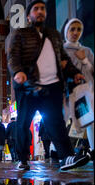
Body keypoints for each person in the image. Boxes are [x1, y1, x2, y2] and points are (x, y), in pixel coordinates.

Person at [6, 0, 89, 171]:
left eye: (42, 9)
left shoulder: (54, 35)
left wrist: (74, 73)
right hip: (28, 86)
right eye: (36, 9)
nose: (40, 11)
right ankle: (22, 159)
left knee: (56, 123)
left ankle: (66, 157)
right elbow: (13, 56)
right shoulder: (20, 34)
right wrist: (18, 72)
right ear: (29, 15)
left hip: (52, 87)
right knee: (23, 124)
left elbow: (64, 59)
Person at [63, 18, 94, 159]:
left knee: (89, 121)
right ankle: (63, 154)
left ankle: (93, 151)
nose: (75, 32)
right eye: (72, 29)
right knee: (61, 122)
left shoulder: (86, 51)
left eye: (78, 29)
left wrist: (84, 60)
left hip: (84, 91)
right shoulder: (61, 50)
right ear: (66, 31)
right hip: (66, 92)